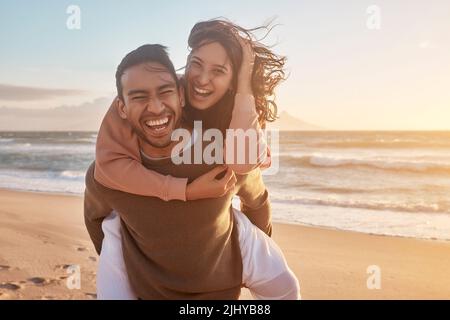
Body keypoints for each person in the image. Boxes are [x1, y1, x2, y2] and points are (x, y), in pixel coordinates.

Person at [86, 23, 299, 300]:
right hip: (134, 249)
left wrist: (245, 80)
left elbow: (249, 176)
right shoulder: (157, 88)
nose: (201, 79)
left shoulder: (228, 132)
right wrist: (184, 192)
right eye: (195, 64)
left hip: (225, 246)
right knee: (114, 225)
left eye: (219, 71)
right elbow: (105, 170)